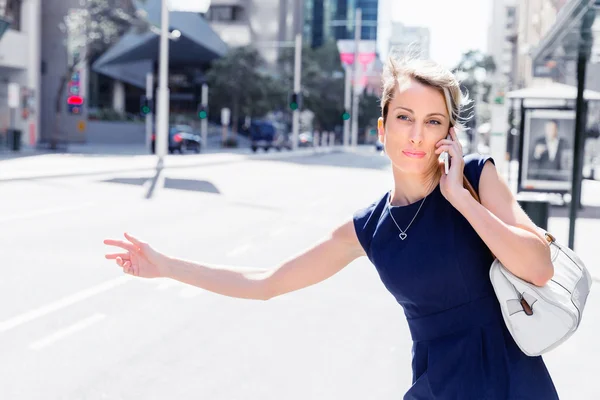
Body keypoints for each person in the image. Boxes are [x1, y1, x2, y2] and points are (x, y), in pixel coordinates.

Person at [104, 56, 559, 399]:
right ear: (383, 127)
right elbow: (267, 282)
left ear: (448, 134)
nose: (417, 135)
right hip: (438, 387)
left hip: (514, 382)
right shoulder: (368, 229)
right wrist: (166, 265)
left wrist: (460, 199)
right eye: (404, 118)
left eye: (432, 121)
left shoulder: (477, 178)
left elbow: (539, 266)